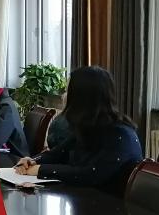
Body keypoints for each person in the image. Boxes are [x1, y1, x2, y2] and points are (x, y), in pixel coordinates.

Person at [13, 65, 142, 188]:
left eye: (67, 91)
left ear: (81, 98)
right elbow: (57, 153)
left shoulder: (120, 135)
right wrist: (32, 161)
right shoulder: (90, 127)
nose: (63, 96)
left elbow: (89, 174)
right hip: (85, 198)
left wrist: (40, 169)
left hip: (107, 202)